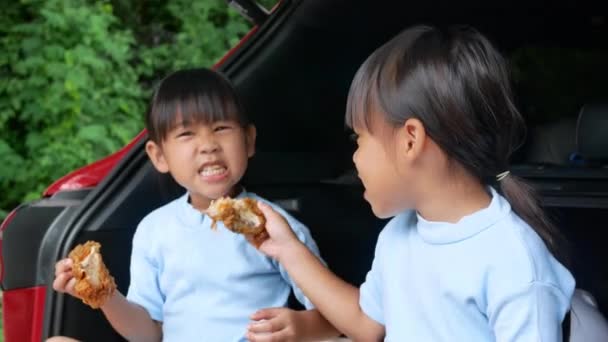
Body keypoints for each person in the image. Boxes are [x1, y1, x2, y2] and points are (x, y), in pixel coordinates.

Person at [249, 25, 575, 341]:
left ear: (410, 140)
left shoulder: (512, 261)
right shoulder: (399, 234)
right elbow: (366, 325)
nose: (354, 158)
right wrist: (288, 250)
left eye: (359, 138)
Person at [52, 68, 339, 342]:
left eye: (221, 127)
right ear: (159, 155)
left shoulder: (276, 228)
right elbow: (149, 334)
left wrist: (300, 327)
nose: (208, 145)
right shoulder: (154, 230)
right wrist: (105, 295)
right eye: (187, 134)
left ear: (249, 140)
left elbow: (337, 318)